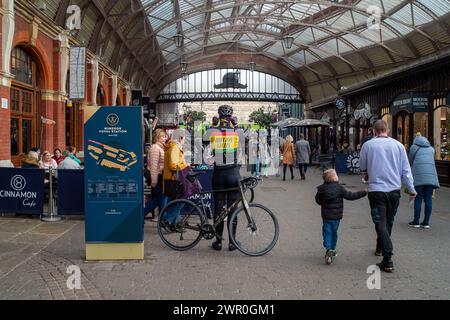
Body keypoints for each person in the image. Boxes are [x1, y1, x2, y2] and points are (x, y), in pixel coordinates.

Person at [359, 120, 417, 273]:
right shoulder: (398, 146)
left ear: (373, 131)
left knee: (380, 222)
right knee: (388, 221)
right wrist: (411, 189)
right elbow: (406, 170)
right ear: (388, 130)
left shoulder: (368, 145)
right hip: (394, 191)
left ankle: (388, 257)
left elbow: (362, 166)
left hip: (376, 190)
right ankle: (380, 247)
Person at [206, 105, 243, 251]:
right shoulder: (236, 131)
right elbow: (245, 141)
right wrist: (236, 124)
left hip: (219, 174)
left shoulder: (213, 131)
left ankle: (218, 242)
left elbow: (203, 141)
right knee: (232, 209)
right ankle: (233, 243)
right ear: (231, 117)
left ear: (218, 116)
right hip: (233, 173)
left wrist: (213, 124)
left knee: (219, 208)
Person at [315, 169, 367, 264]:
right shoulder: (340, 188)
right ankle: (332, 249)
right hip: (337, 217)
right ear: (334, 178)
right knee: (334, 233)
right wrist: (364, 192)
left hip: (326, 216)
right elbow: (351, 196)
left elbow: (318, 201)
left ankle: (328, 248)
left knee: (327, 232)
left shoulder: (321, 189)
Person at [408, 135, 440, 229]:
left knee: (417, 198)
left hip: (418, 176)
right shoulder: (431, 149)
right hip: (430, 177)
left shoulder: (414, 147)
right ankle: (426, 222)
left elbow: (409, 161)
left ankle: (416, 221)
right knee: (428, 199)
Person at [161, 130, 188, 227]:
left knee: (176, 201)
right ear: (180, 138)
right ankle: (168, 219)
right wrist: (185, 166)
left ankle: (174, 224)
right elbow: (173, 165)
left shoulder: (173, 146)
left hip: (171, 179)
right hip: (173, 179)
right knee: (182, 200)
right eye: (184, 138)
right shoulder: (175, 147)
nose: (185, 140)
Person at [145, 129, 168, 218]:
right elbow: (154, 166)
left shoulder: (161, 147)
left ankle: (162, 220)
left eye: (164, 136)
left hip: (159, 176)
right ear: (157, 137)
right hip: (156, 177)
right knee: (159, 199)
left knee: (159, 199)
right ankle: (142, 213)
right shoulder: (155, 148)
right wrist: (154, 181)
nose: (164, 138)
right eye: (162, 136)